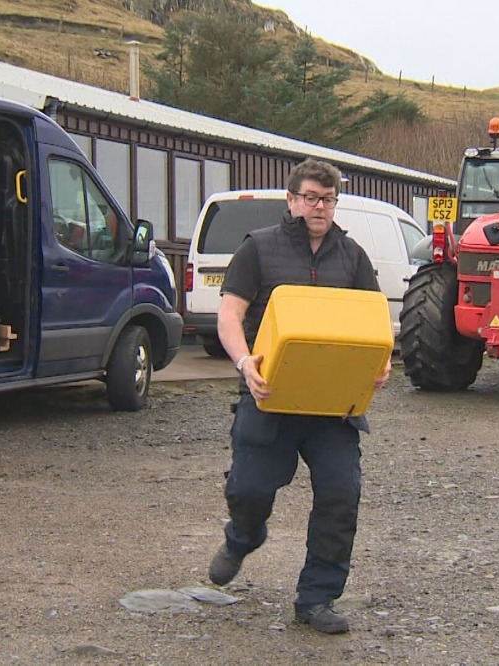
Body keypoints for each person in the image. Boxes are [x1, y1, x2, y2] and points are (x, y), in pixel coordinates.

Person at [207, 158, 391, 635]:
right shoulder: (259, 250)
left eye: (327, 199)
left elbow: (374, 324)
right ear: (291, 200)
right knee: (249, 489)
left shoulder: (352, 257)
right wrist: (245, 363)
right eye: (310, 197)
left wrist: (381, 363)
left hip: (332, 407)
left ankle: (317, 598)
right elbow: (230, 315)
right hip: (269, 397)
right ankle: (244, 534)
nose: (319, 207)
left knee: (340, 494)